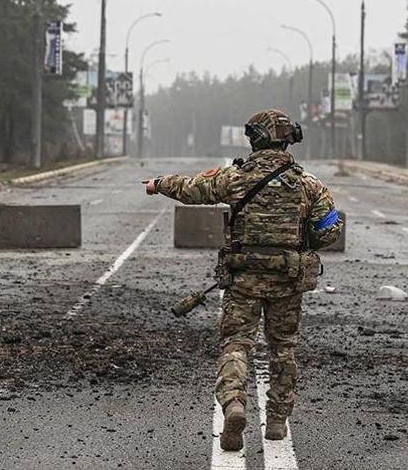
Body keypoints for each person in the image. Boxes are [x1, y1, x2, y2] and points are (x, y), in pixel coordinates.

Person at [144, 109, 342, 451]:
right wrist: (302, 241)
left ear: (255, 139)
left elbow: (192, 189)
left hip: (243, 279)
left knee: (236, 343)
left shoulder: (235, 178)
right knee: (283, 348)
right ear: (287, 139)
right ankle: (277, 421)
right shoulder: (310, 185)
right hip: (287, 280)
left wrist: (158, 184)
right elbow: (331, 230)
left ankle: (235, 404)